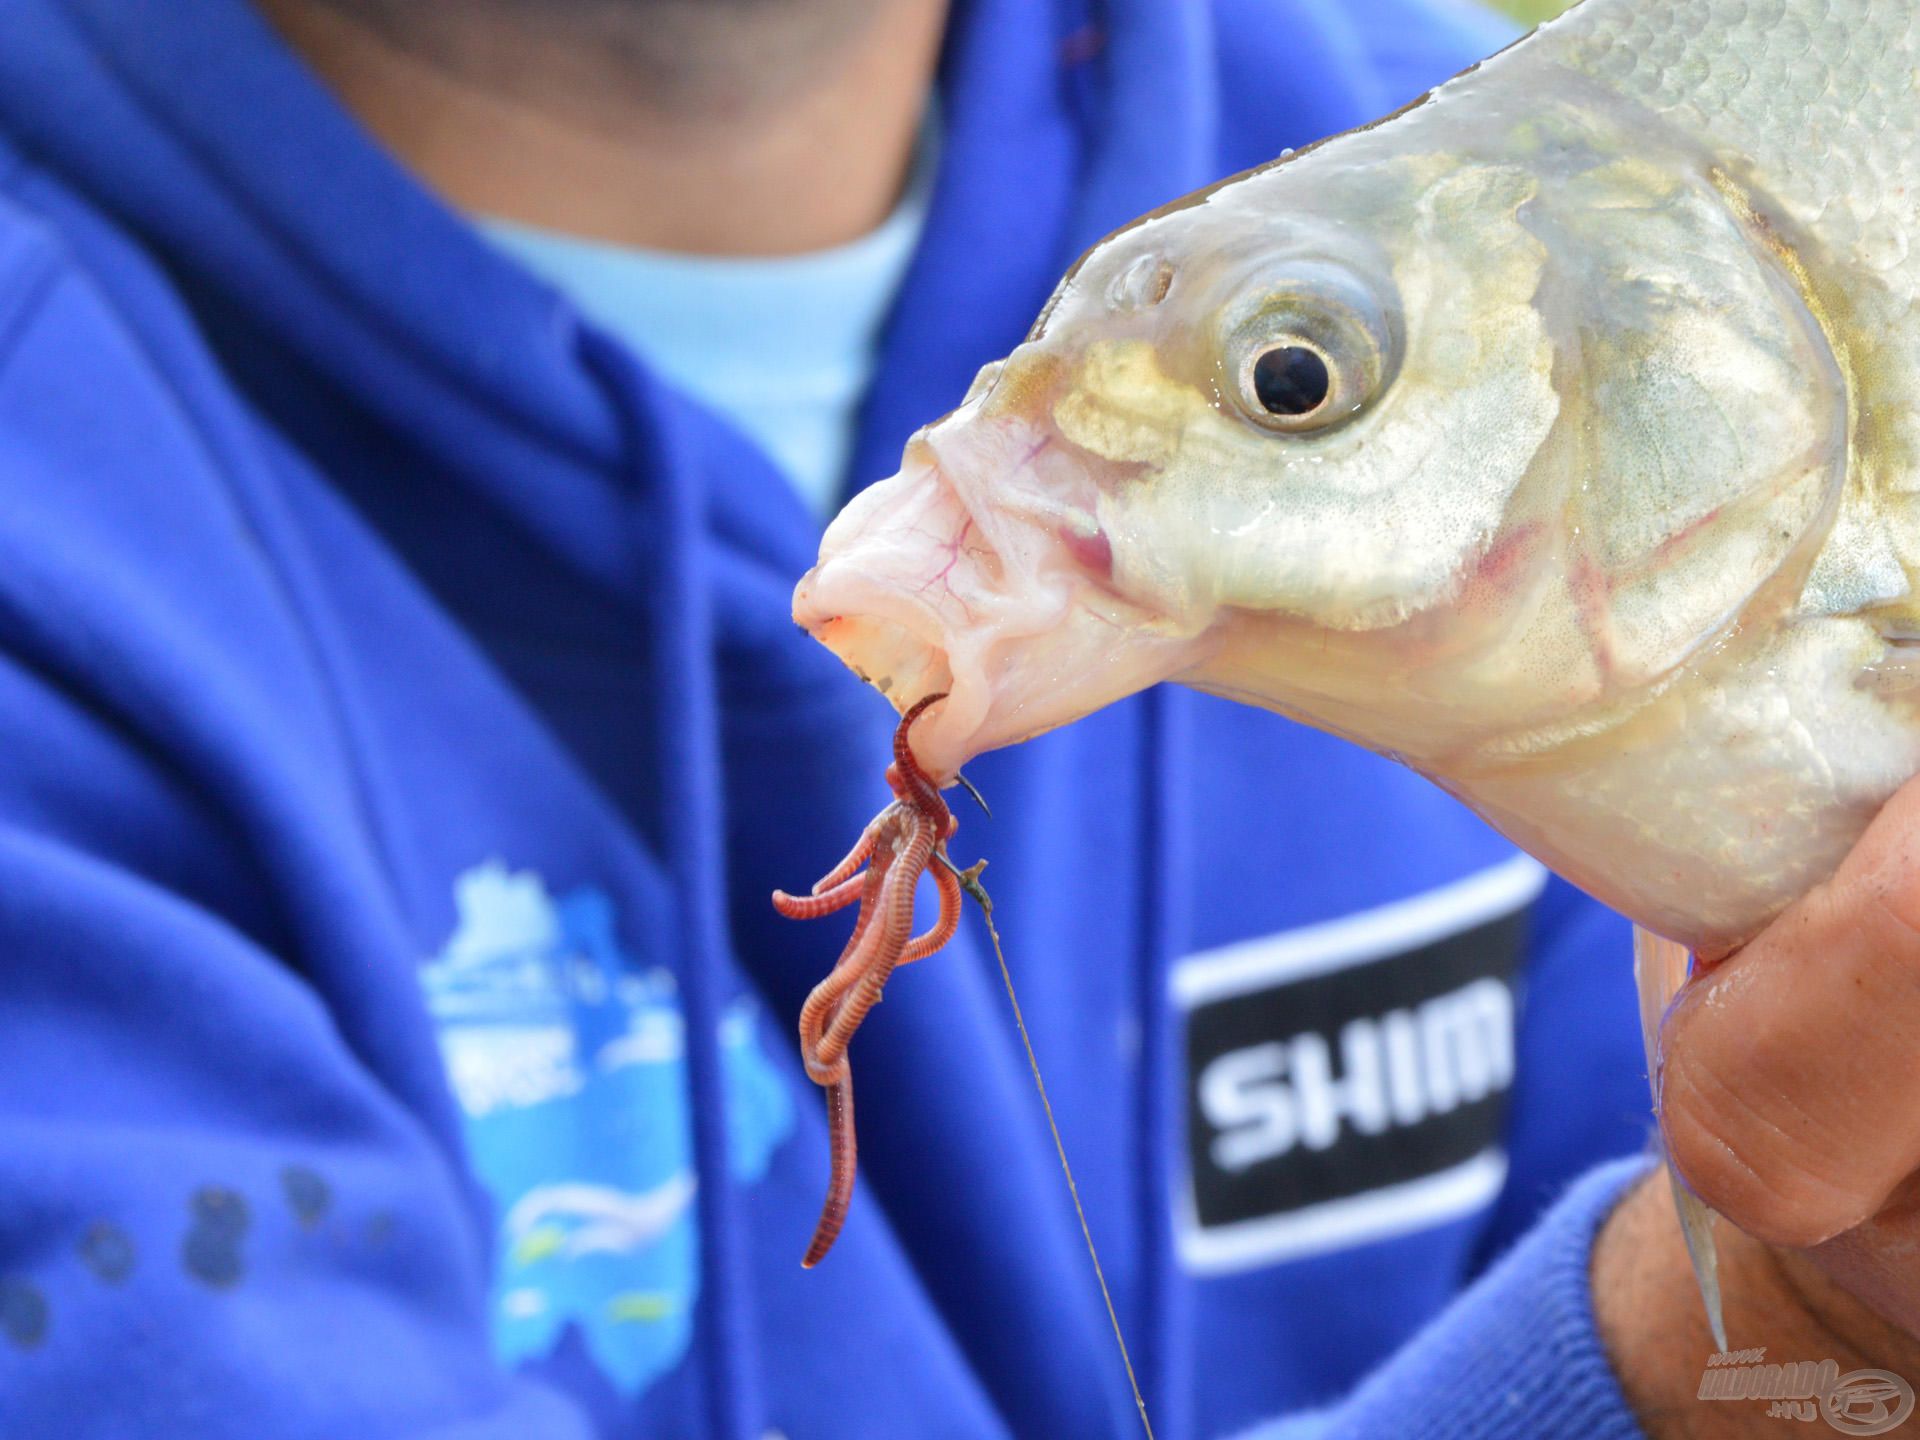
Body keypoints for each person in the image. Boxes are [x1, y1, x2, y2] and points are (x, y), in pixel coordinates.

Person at [0, 1, 1910, 1437]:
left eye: (1293, 380)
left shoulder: (1472, 177)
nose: (1290, 379)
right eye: (1296, 378)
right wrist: (1721, 1364)